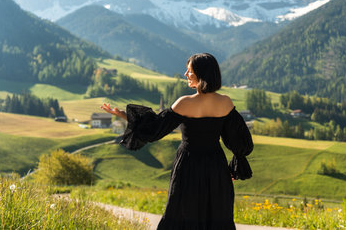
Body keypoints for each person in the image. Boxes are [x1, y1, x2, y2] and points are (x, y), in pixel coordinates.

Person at [101, 53, 253, 229]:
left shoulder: (184, 103)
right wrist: (236, 163)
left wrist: (123, 114)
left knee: (181, 213)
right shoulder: (226, 102)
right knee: (217, 213)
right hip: (216, 166)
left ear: (201, 74)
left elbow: (154, 129)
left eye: (189, 71)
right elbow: (239, 139)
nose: (186, 74)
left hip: (188, 165)